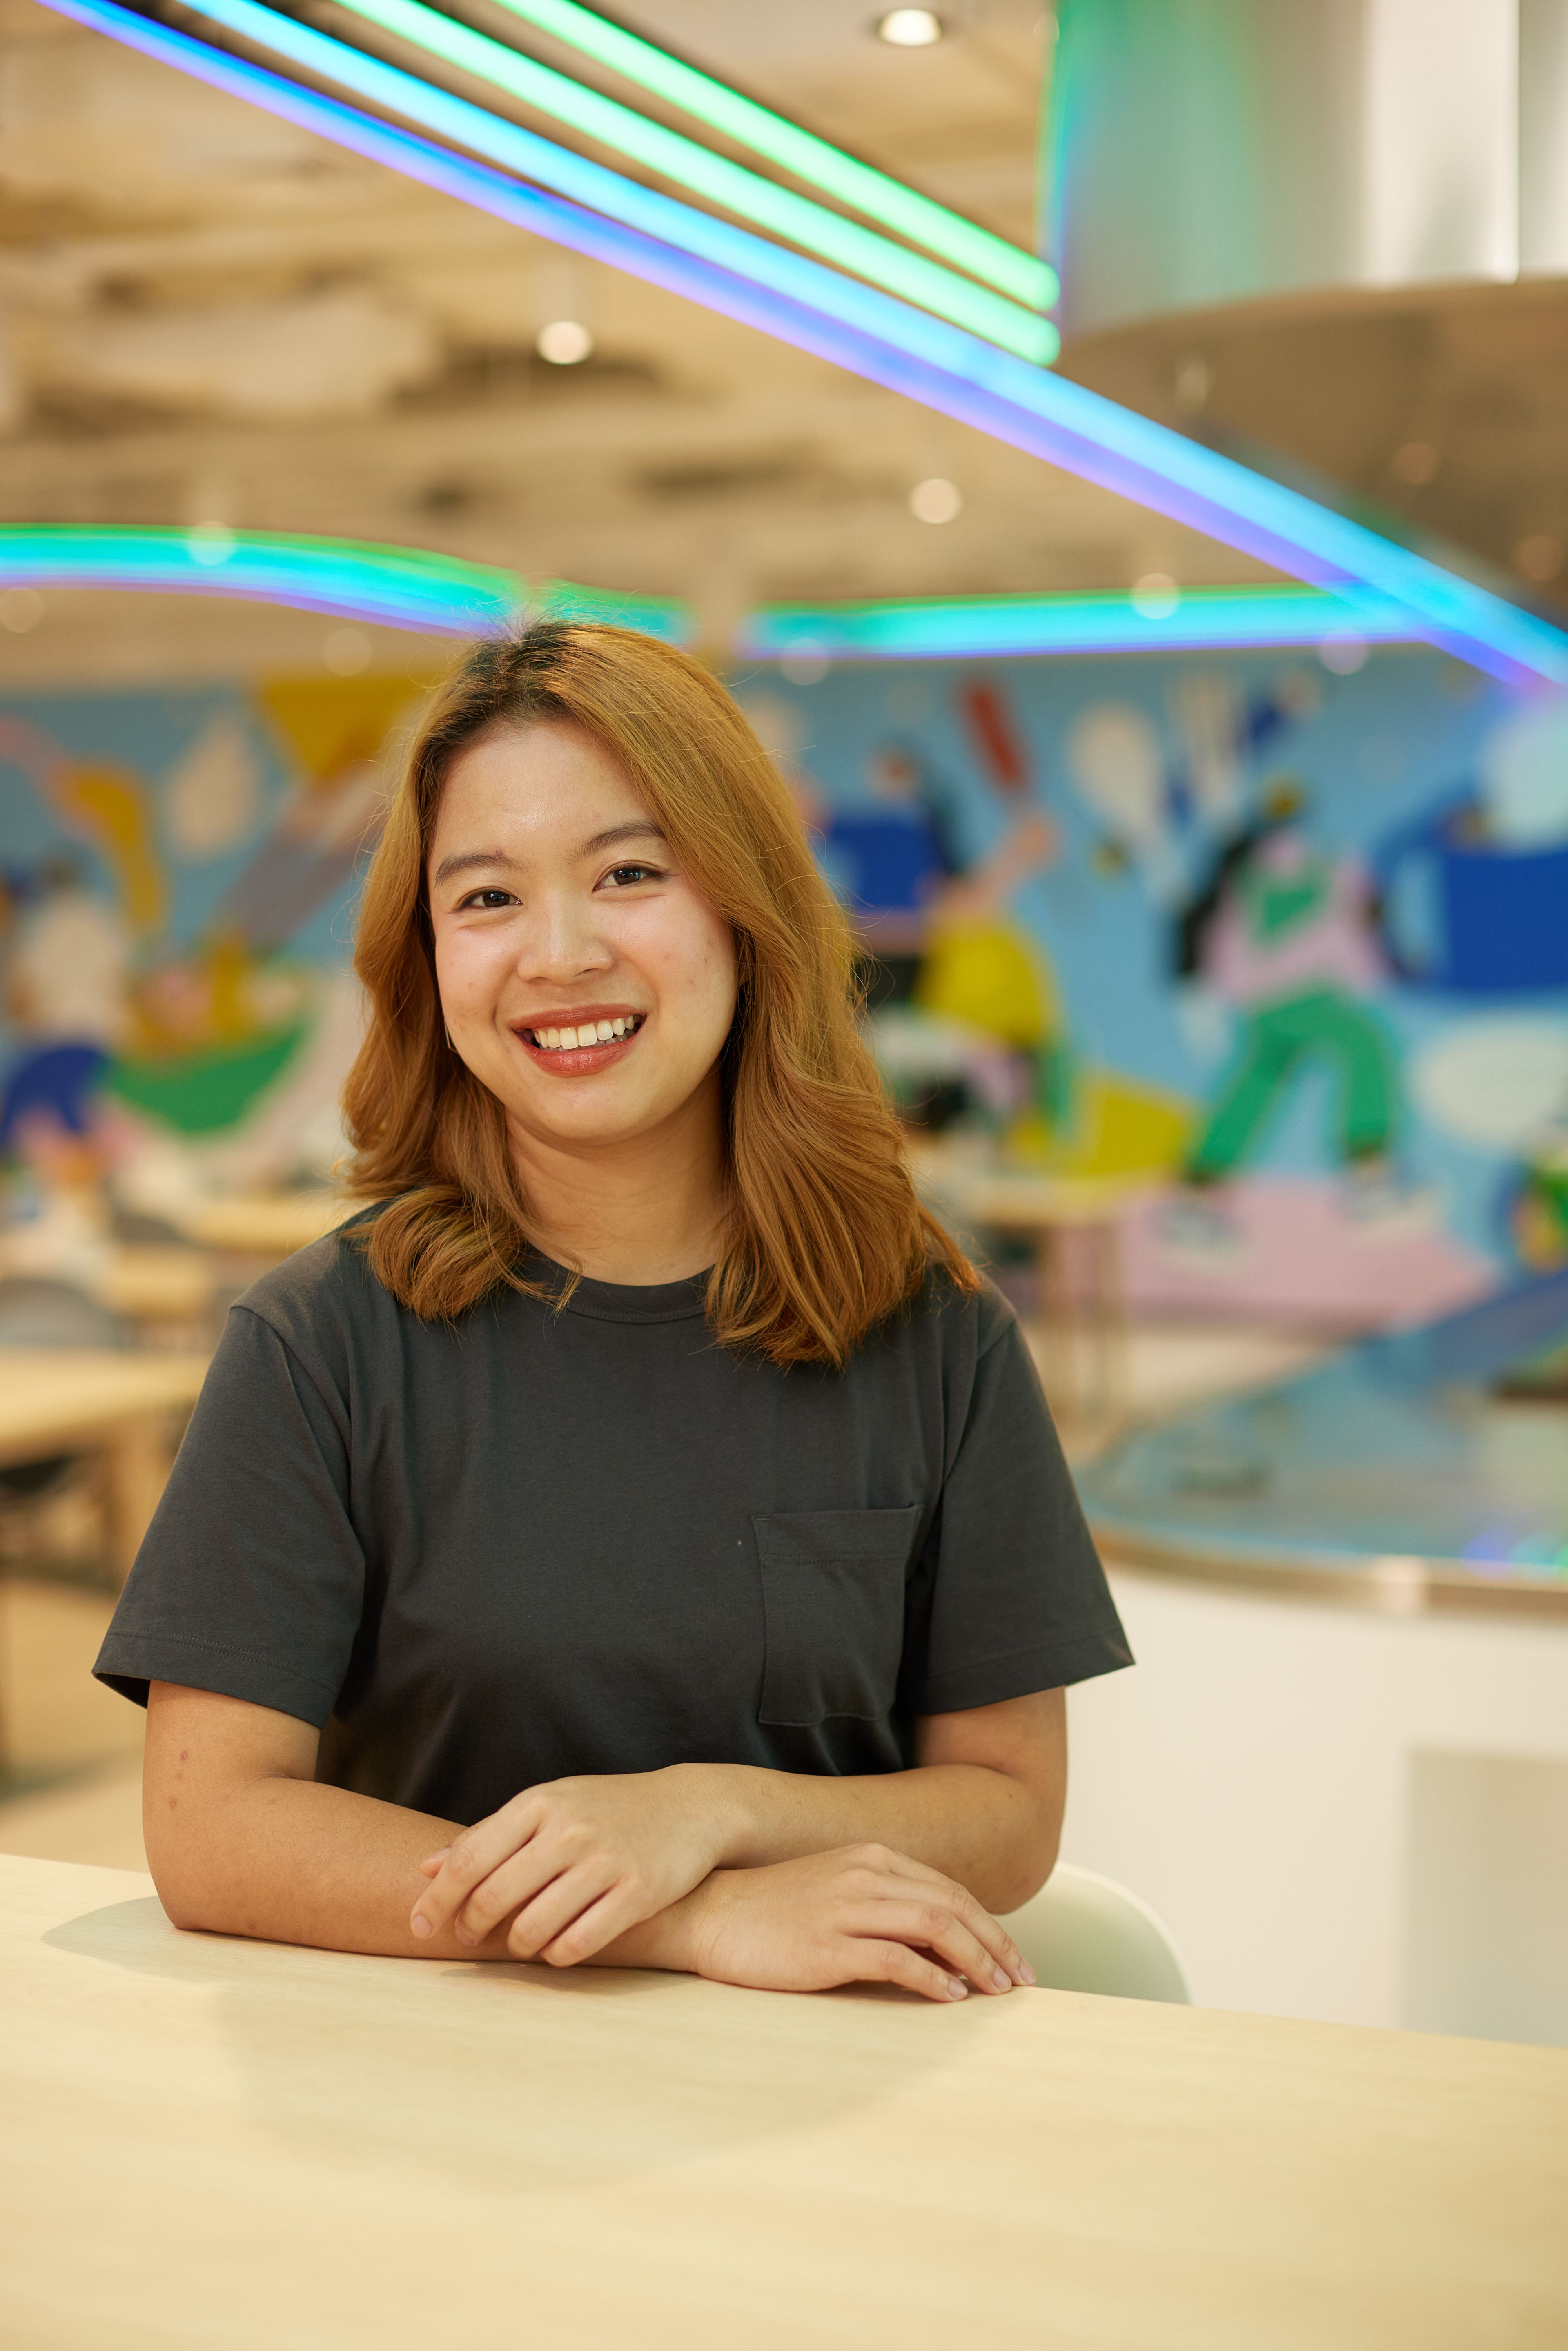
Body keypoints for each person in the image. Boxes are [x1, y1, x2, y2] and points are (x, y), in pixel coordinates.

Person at [95, 624, 1130, 2005]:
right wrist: (679, 1922)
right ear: (428, 958)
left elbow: (1008, 1809)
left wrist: (712, 1809)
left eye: (629, 874)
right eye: (486, 900)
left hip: (848, 2105)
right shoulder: (321, 1345)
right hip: (427, 2100)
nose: (559, 955)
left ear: (744, 913)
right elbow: (211, 1830)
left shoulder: (934, 1335)